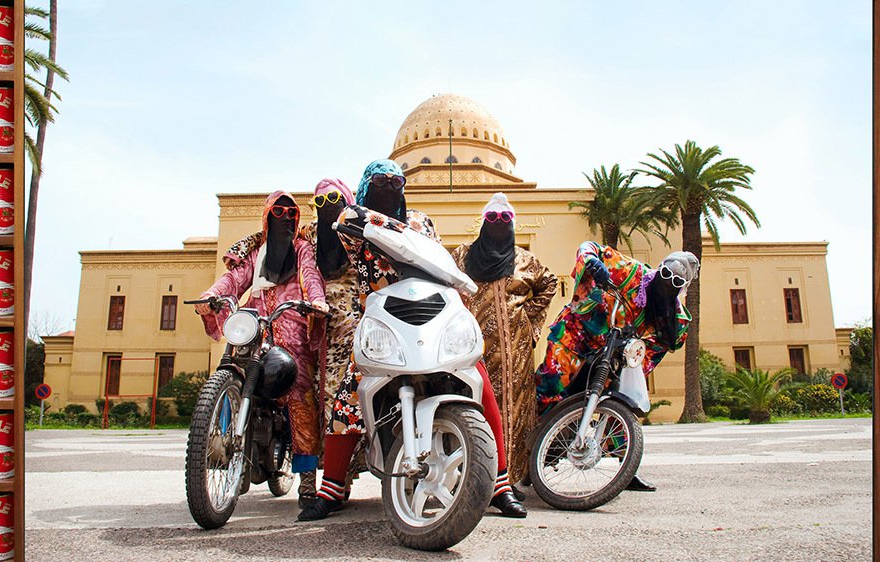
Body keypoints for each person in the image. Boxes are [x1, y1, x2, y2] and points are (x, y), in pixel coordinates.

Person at [299, 160, 526, 521]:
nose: (390, 187)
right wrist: (403, 236)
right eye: (381, 180)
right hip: (384, 319)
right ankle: (332, 489)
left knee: (478, 381)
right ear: (366, 185)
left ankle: (499, 485)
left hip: (431, 316)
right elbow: (348, 224)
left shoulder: (422, 221)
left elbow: (439, 263)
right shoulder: (353, 221)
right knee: (348, 399)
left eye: (397, 181)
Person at [195, 191, 328, 500]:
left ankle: (307, 481)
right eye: (278, 212)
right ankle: (221, 444)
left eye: (291, 214)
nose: (285, 218)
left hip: (293, 334)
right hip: (255, 331)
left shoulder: (302, 250)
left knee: (300, 396)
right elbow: (233, 279)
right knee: (230, 372)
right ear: (267, 217)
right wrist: (211, 295)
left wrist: (317, 301)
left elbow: (311, 277)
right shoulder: (256, 254)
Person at [535, 242, 698, 492]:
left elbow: (671, 340)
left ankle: (626, 468)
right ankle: (534, 452)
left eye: (676, 281)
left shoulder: (672, 314)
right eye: (666, 274)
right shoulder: (632, 272)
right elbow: (589, 247)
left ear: (682, 288)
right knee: (550, 384)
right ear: (659, 269)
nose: (668, 282)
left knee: (621, 401)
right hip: (576, 335)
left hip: (614, 353)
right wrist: (593, 263)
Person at [451, 193, 557, 489]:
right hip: (473, 348)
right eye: (492, 217)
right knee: (475, 409)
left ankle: (508, 481)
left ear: (513, 223)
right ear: (483, 222)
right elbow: (446, 284)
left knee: (515, 411)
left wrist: (529, 320)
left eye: (505, 218)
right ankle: (475, 480)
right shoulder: (462, 256)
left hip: (516, 352)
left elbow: (549, 283)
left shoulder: (525, 259)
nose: (499, 223)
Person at [296, 178, 361, 507]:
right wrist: (240, 252)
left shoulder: (358, 231)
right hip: (314, 329)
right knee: (310, 402)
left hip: (353, 329)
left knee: (341, 403)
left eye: (334, 198)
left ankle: (340, 480)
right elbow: (271, 239)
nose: (327, 206)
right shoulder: (309, 235)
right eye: (319, 202)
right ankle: (312, 480)